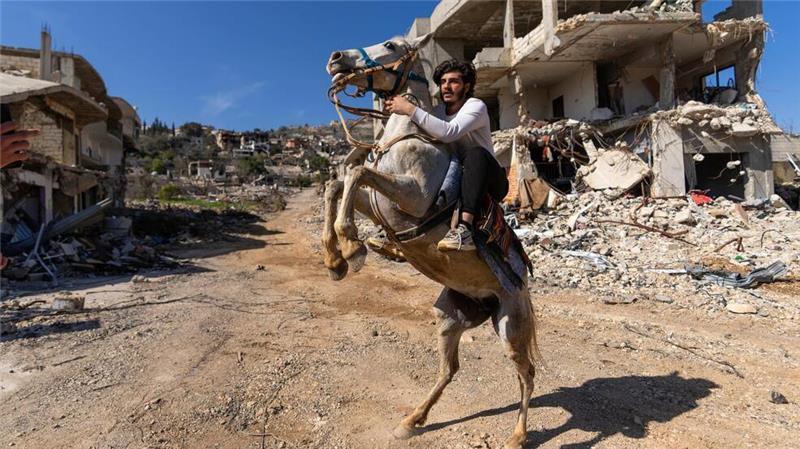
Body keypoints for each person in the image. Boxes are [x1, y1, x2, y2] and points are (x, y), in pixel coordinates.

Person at [385, 59, 507, 251]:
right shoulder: (437, 112)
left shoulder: (475, 106)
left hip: (488, 178)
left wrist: (409, 108)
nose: (446, 87)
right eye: (442, 82)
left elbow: (449, 132)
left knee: (475, 154)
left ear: (466, 86)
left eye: (453, 82)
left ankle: (464, 230)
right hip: (456, 175)